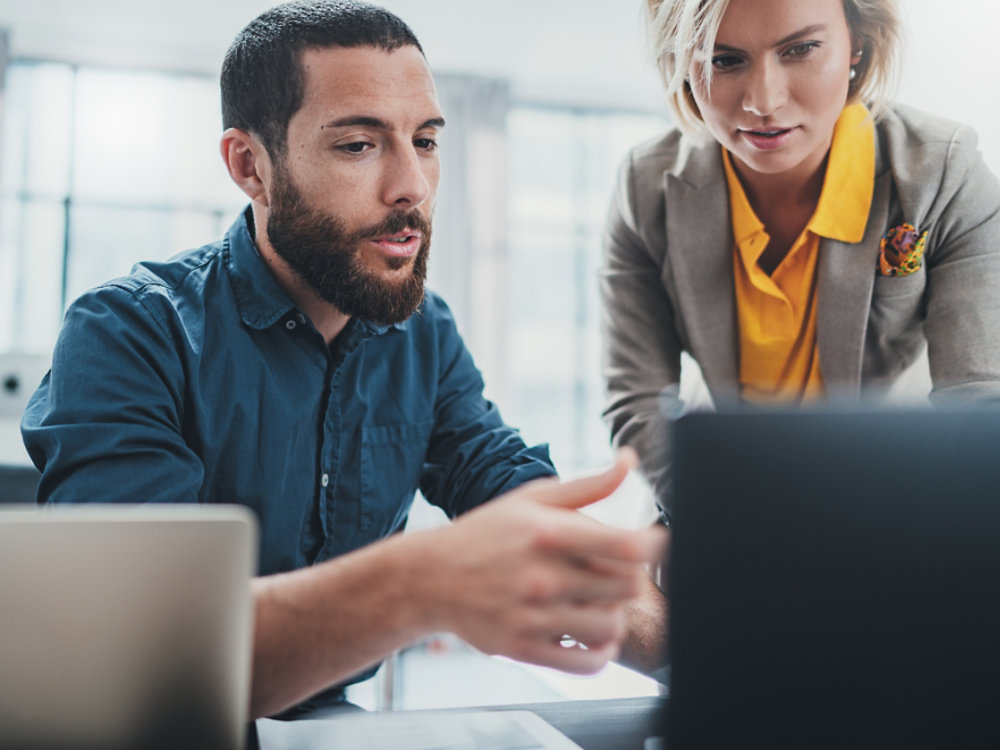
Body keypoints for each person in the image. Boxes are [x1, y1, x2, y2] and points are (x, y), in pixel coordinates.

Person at [20, 1, 666, 720]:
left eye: (424, 141)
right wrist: (423, 583)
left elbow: (503, 484)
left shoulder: (425, 333)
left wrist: (706, 646)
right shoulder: (128, 332)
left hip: (323, 724)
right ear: (250, 166)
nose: (411, 187)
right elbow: (149, 656)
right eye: (359, 145)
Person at [601, 0, 1000, 517]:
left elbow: (979, 402)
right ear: (681, 62)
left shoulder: (943, 173)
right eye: (723, 60)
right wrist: (717, 515)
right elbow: (637, 402)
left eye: (801, 49)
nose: (764, 101)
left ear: (858, 41)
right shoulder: (645, 188)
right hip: (716, 496)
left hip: (899, 487)